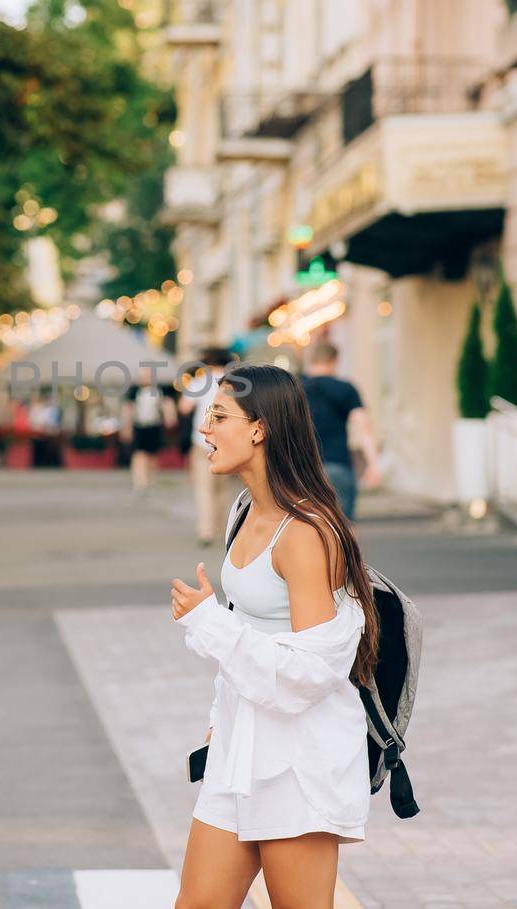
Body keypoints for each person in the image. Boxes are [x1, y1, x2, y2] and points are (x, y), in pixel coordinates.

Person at [170, 364, 381, 909]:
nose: (205, 430)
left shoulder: (307, 532)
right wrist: (221, 721)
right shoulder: (244, 513)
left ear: (260, 428)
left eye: (219, 417)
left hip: (297, 763)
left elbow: (311, 673)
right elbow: (252, 631)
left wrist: (208, 622)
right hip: (240, 751)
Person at [300, 343, 381, 520]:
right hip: (338, 464)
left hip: (303, 468)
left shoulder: (295, 388)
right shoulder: (345, 388)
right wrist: (373, 464)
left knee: (308, 528)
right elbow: (363, 426)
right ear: (334, 361)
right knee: (345, 527)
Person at [179, 350, 234, 545]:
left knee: (204, 487)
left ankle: (206, 530)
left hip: (201, 439)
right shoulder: (234, 384)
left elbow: (184, 407)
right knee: (223, 487)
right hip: (227, 440)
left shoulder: (200, 381)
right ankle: (221, 528)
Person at [123, 366, 175, 494]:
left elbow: (167, 405)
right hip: (139, 426)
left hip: (154, 426)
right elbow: (128, 410)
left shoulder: (159, 390)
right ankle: (140, 482)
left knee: (152, 455)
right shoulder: (134, 391)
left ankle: (150, 480)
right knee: (139, 455)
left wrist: (170, 417)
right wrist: (127, 427)